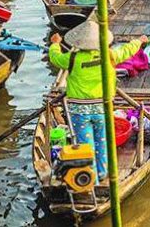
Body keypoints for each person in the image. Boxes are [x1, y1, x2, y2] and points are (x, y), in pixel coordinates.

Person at [48, 21, 144, 184]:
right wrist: (139, 41)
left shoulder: (72, 58)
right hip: (102, 108)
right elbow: (126, 50)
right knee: (102, 141)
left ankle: (91, 179)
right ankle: (101, 172)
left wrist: (55, 44)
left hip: (79, 111)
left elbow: (55, 58)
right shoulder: (109, 55)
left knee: (86, 145)